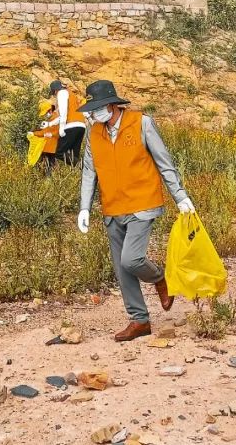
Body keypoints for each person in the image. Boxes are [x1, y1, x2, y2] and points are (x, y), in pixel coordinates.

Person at [76, 79, 194, 341]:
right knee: (121, 268)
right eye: (91, 111)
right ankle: (139, 320)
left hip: (143, 203)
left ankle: (160, 278)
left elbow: (165, 163)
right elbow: (88, 171)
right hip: (112, 207)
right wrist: (84, 207)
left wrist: (180, 197)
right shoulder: (94, 132)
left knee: (132, 260)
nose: (93, 115)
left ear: (111, 105)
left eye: (96, 109)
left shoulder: (142, 123)